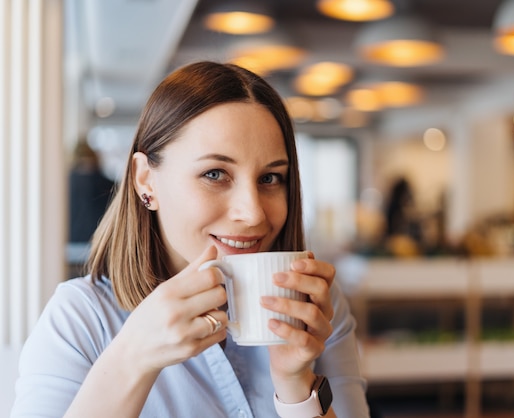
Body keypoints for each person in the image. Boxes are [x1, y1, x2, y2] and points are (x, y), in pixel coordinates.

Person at [11, 61, 369, 417]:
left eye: (271, 178)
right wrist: (133, 358)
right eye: (215, 174)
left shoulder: (315, 307)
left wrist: (297, 387)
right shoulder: (80, 319)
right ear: (145, 180)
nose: (254, 213)